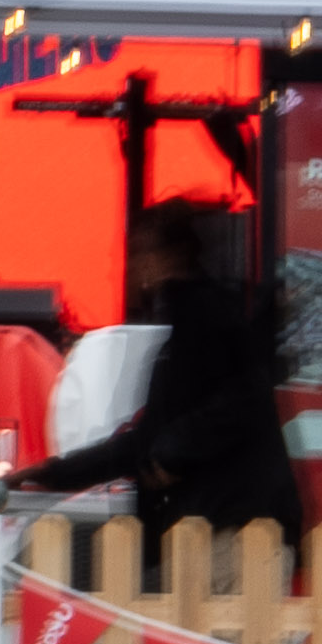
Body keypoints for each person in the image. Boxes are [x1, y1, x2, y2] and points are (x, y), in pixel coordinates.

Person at [46, 196, 295, 525]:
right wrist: (54, 474)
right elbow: (150, 436)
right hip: (227, 520)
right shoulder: (195, 315)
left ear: (166, 256)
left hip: (232, 522)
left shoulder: (204, 314)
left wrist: (171, 451)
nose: (126, 265)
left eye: (137, 251)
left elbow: (244, 397)